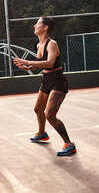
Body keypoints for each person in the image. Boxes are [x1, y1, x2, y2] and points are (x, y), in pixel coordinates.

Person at [13, 17, 76, 156]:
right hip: (46, 80)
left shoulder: (51, 44)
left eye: (38, 23)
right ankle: (42, 134)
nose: (35, 25)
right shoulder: (38, 44)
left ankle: (69, 144)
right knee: (37, 109)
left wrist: (26, 61)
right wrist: (28, 66)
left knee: (50, 114)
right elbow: (41, 64)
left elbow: (49, 63)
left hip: (57, 81)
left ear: (45, 27)